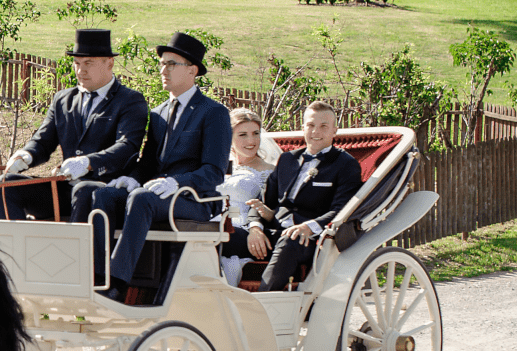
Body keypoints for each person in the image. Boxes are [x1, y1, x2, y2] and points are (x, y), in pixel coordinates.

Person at [100, 32, 230, 300]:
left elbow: (214, 171)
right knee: (103, 194)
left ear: (192, 70)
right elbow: (148, 163)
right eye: (162, 63)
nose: (163, 69)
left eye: (172, 64)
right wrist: (132, 177)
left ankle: (117, 284)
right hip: (158, 193)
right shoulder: (158, 113)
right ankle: (96, 274)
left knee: (141, 198)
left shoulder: (213, 112)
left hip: (194, 199)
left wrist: (177, 182)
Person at [0, 28, 148, 222]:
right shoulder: (62, 100)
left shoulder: (130, 100)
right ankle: (15, 249)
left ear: (110, 63)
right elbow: (43, 141)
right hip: (64, 188)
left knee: (84, 191)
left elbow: (127, 146)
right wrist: (26, 155)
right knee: (4, 185)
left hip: (104, 189)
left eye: (88, 63)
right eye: (77, 63)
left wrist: (88, 162)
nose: (80, 70)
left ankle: (75, 251)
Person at [252, 101, 363, 292]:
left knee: (290, 240)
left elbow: (341, 211)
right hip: (274, 230)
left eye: (323, 126)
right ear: (303, 127)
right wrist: (255, 228)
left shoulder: (345, 164)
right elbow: (262, 199)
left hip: (310, 240)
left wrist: (308, 227)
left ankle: (258, 306)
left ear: (334, 130)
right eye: (310, 125)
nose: (315, 131)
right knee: (225, 237)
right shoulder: (287, 159)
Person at [215, 108, 280, 287]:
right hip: (216, 222)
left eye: (255, 134)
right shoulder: (218, 166)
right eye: (242, 135)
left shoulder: (270, 172)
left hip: (248, 232)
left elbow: (277, 210)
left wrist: (255, 229)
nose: (251, 141)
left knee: (210, 236)